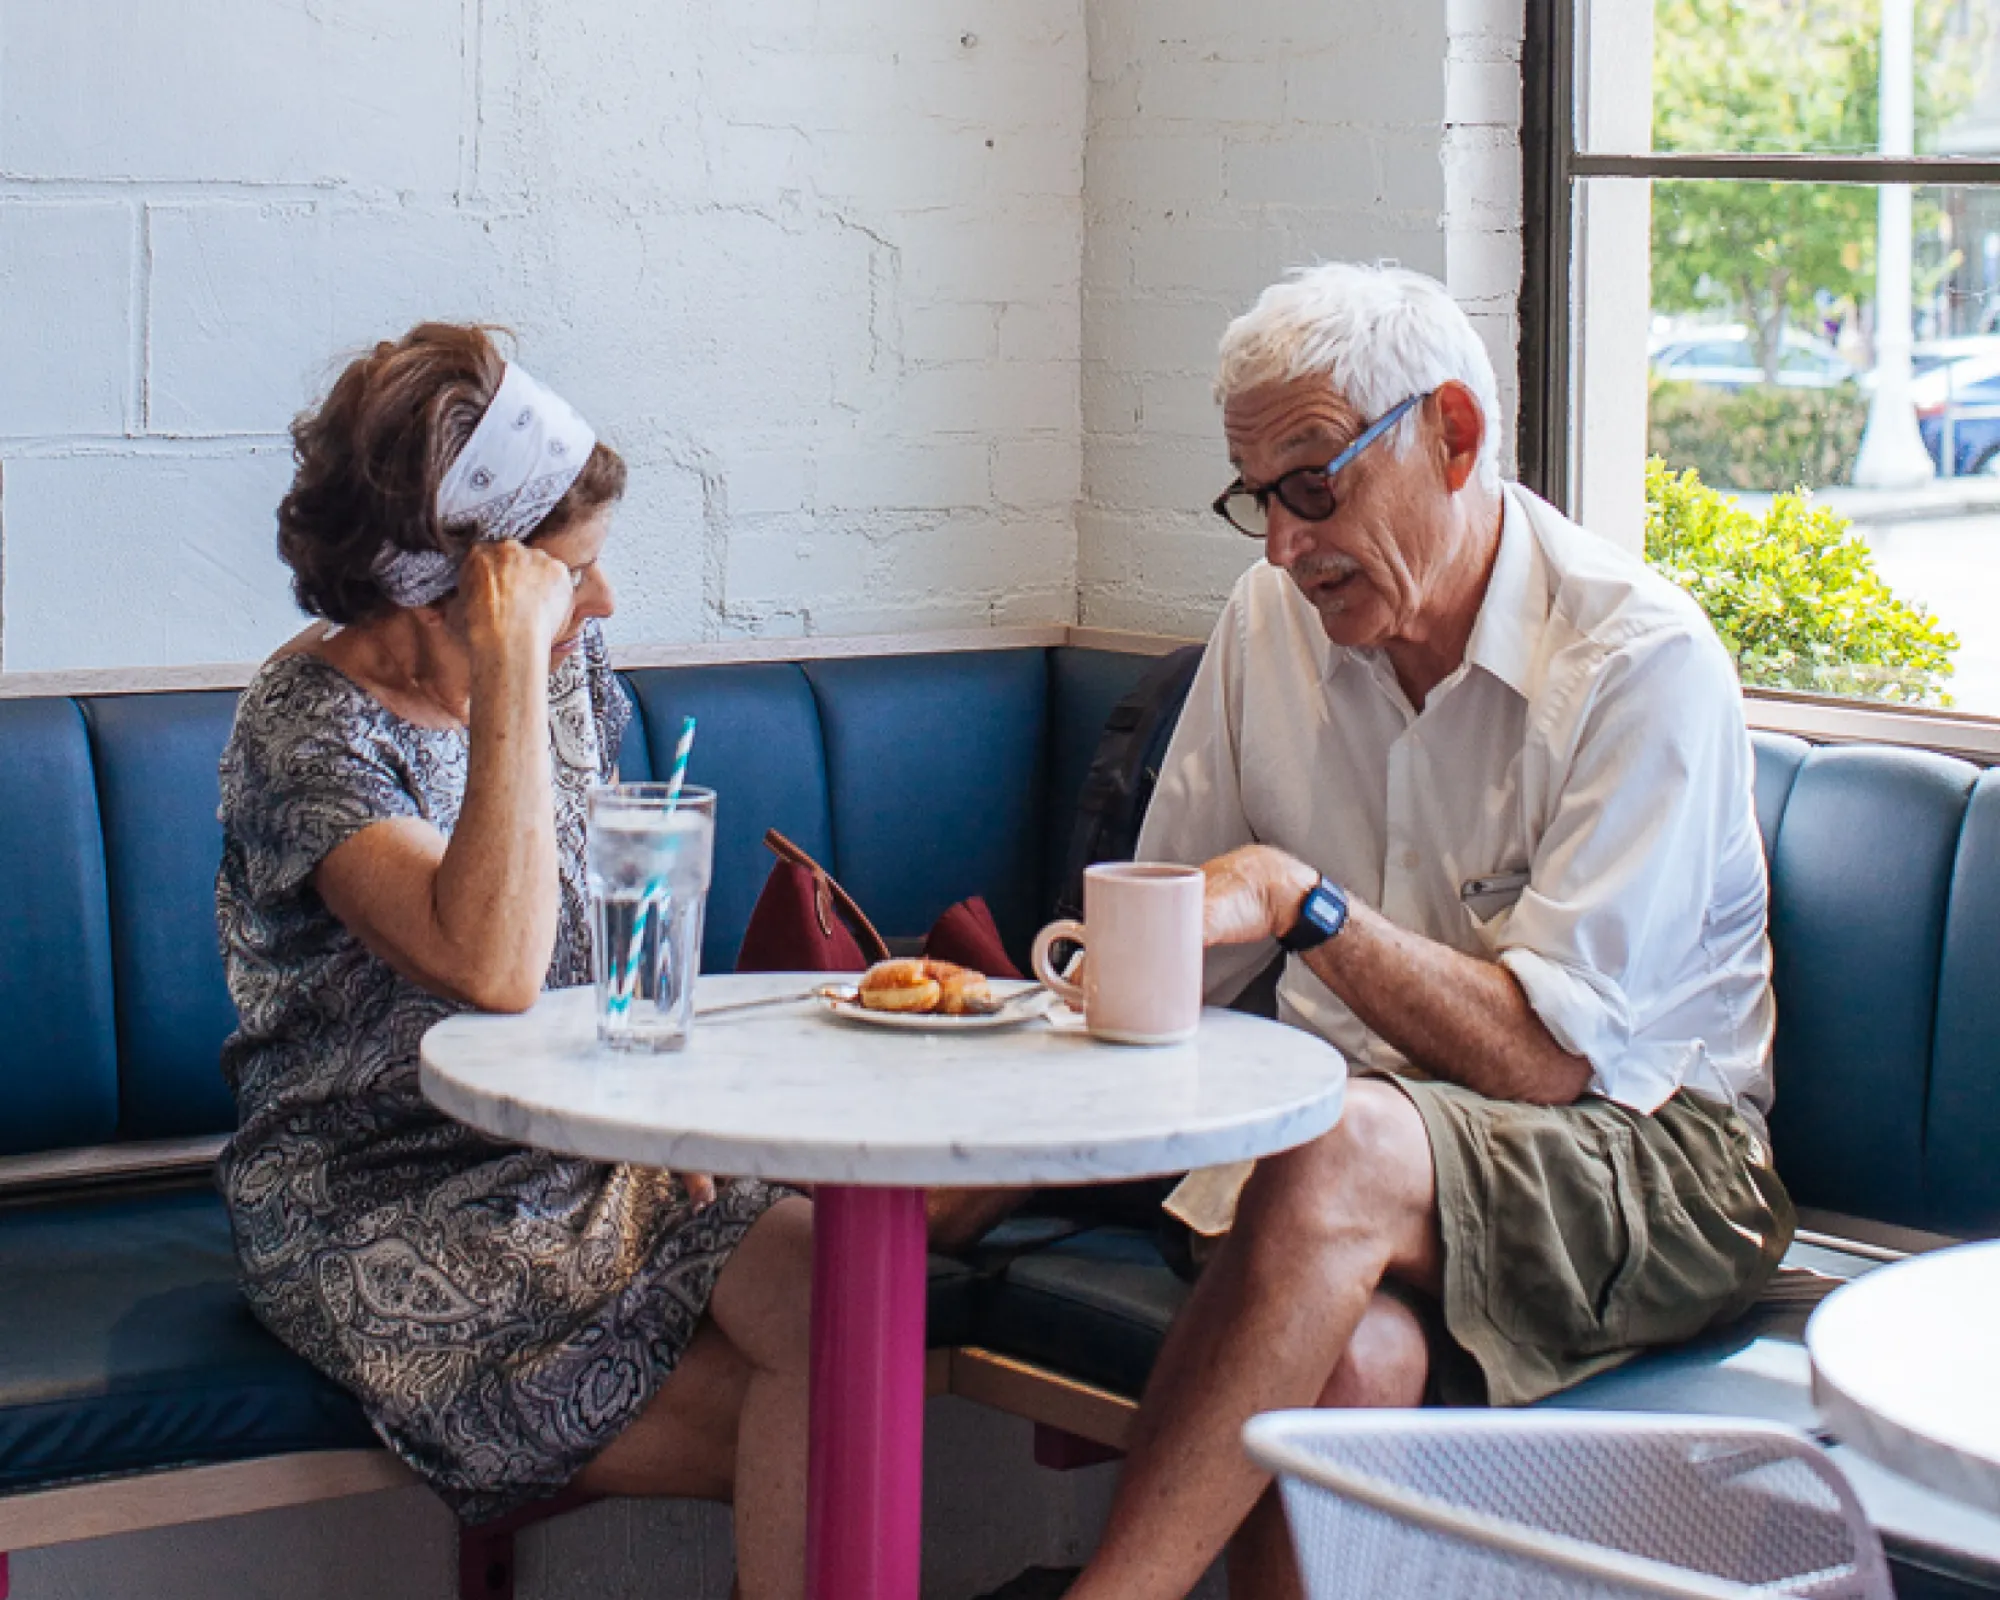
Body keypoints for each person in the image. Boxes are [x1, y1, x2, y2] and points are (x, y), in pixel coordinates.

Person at [1058, 264, 1795, 1600]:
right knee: (1351, 1372)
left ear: (1453, 435)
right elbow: (1180, 954)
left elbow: (1550, 1063)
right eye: (1256, 500)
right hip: (1351, 1176)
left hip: (1652, 1153)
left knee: (1335, 1141)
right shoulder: (1268, 621)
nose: (1281, 548)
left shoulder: (1638, 662)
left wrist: (1304, 903)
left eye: (1312, 487)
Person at [215, 324, 811, 1596]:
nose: (598, 605)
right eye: (570, 577)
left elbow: (596, 946)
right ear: (464, 584)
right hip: (385, 1203)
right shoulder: (303, 729)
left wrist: (654, 1110)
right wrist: (501, 676)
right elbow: (489, 962)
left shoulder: (563, 664)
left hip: (582, 1155)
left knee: (840, 1304)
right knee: (819, 1421)